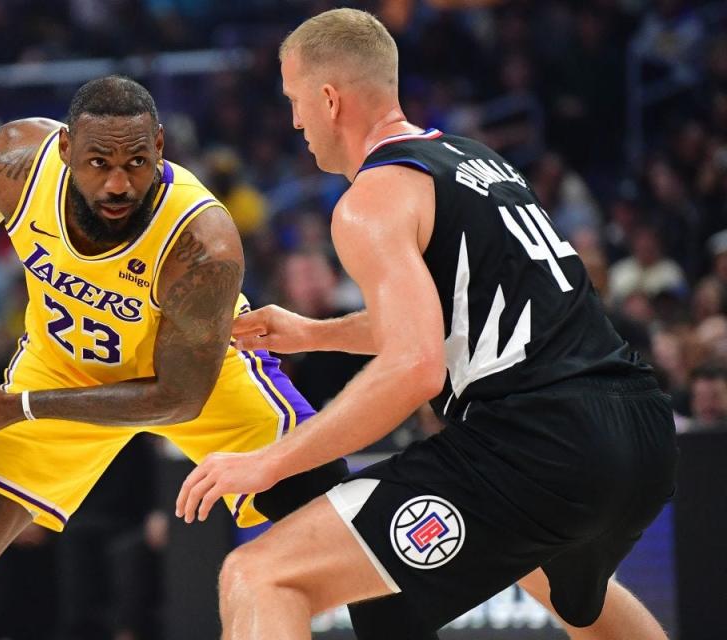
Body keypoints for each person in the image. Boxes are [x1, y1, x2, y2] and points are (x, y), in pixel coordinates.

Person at [176, 9, 678, 640]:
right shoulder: (473, 160)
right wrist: (315, 332)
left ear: (329, 99)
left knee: (261, 575)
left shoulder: (371, 200)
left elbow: (415, 366)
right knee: (563, 586)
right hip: (637, 430)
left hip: (538, 443)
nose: (295, 121)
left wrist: (269, 463)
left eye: (295, 100)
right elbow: (466, 319)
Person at [0, 75, 347, 639]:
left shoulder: (201, 241)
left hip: (190, 374)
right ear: (64, 153)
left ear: (159, 146)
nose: (116, 182)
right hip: (62, 365)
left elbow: (178, 398)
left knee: (328, 512)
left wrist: (21, 408)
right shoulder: (20, 159)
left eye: (134, 162)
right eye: (98, 162)